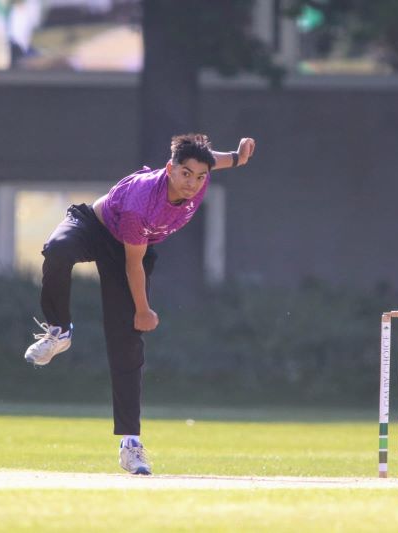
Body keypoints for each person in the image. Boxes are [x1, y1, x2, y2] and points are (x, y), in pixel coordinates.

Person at [24, 133, 256, 475]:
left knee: (126, 342)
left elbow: (210, 161)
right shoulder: (142, 202)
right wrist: (143, 310)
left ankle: (131, 445)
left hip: (132, 248)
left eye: (199, 177)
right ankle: (59, 330)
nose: (192, 183)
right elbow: (133, 263)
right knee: (58, 250)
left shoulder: (199, 178)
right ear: (169, 169)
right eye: (185, 174)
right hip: (95, 227)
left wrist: (237, 156)